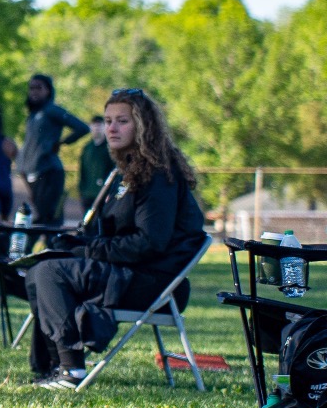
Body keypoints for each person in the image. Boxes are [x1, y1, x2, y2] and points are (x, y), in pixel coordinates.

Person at [25, 88, 207, 389]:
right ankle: (51, 366)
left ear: (143, 126)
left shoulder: (157, 175)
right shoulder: (128, 172)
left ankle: (72, 371)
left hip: (152, 282)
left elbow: (150, 242)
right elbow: (110, 233)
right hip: (128, 272)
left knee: (49, 272)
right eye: (108, 120)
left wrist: (90, 250)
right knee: (40, 266)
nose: (111, 127)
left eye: (122, 121)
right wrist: (76, 245)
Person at [17, 75, 89, 227]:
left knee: (49, 220)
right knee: (40, 218)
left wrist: (62, 142)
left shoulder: (52, 111)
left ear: (48, 91)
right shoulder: (32, 116)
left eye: (39, 88)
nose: (34, 92)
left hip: (50, 172)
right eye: (31, 88)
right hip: (33, 173)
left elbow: (82, 128)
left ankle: (54, 248)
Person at [76, 114, 112, 212]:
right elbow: (82, 170)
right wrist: (81, 190)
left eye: (100, 125)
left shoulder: (110, 148)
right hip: (87, 194)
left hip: (103, 194)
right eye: (94, 125)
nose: (97, 128)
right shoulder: (87, 148)